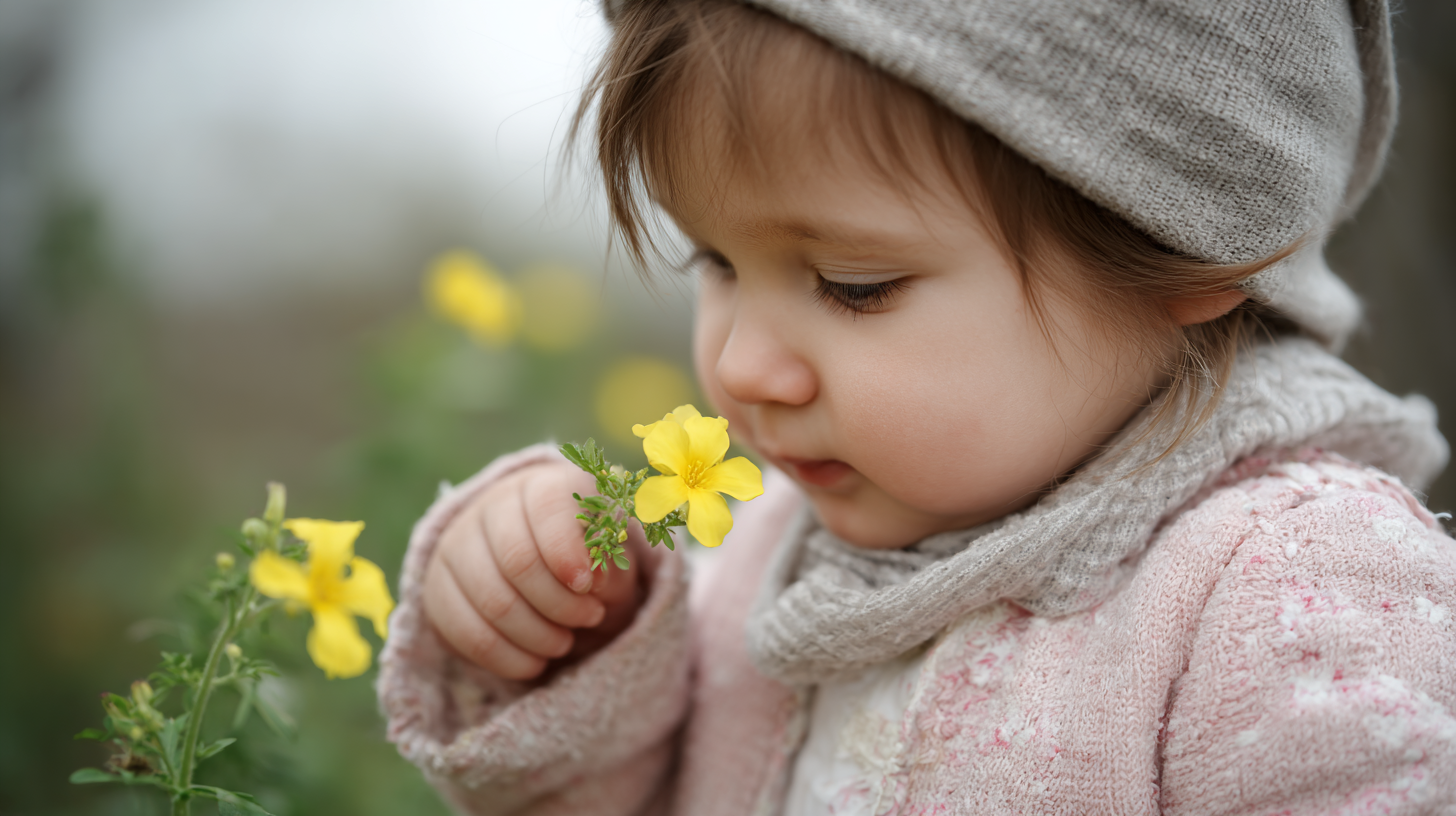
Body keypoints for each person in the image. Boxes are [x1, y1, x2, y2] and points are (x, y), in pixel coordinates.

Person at [378, 0, 1456, 812]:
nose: (745, 366)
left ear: (1184, 249)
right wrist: (587, 646)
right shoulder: (770, 554)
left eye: (854, 285)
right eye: (714, 260)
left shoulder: (1290, 589)